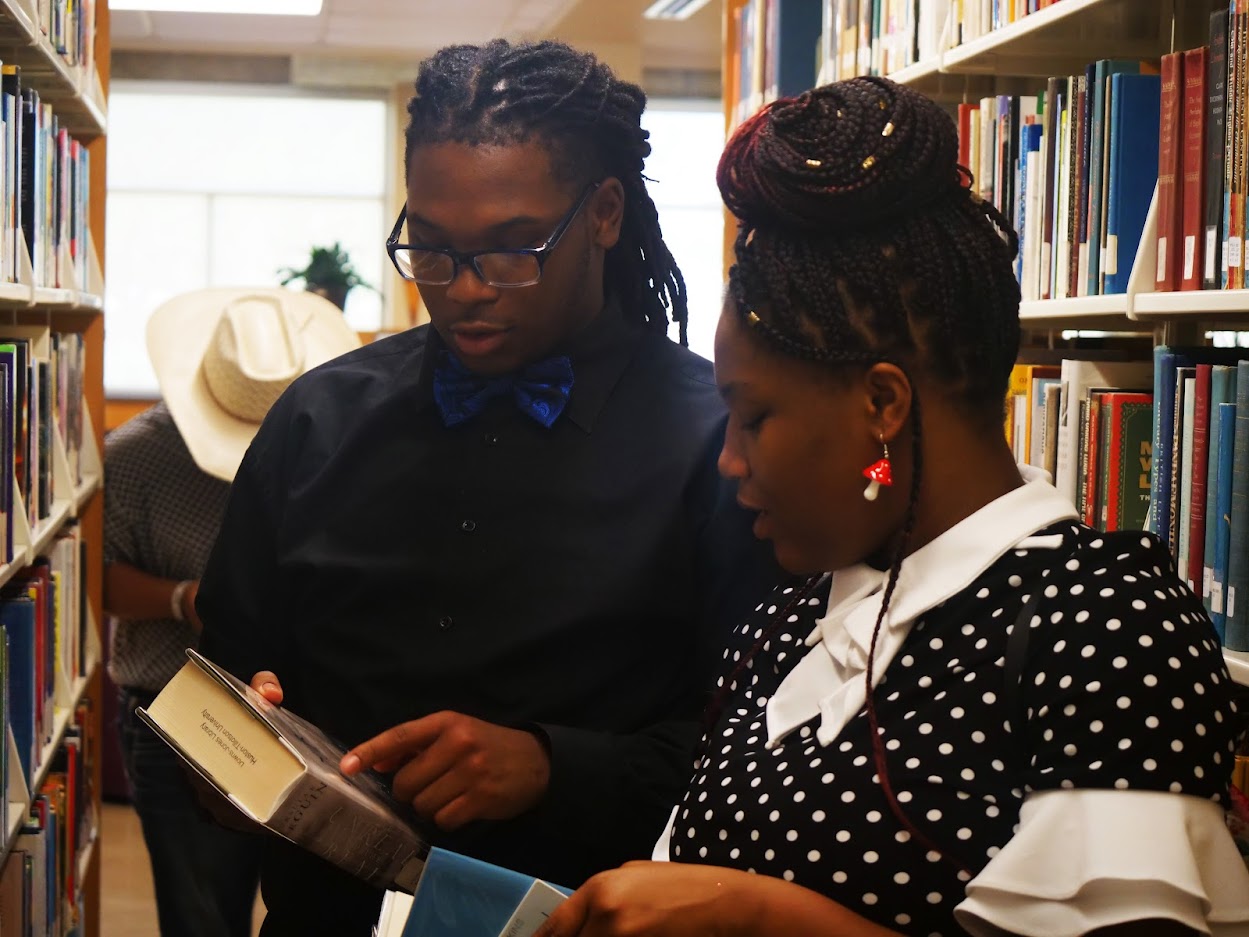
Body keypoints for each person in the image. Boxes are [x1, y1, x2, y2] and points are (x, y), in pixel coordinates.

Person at [535, 76, 1249, 937]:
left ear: (882, 403)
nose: (728, 461)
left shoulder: (1101, 620)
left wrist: (758, 917)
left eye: (754, 417)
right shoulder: (783, 625)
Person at [195, 39, 777, 936]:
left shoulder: (721, 444)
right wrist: (248, 723)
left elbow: (763, 750)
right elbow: (231, 658)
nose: (463, 291)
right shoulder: (316, 419)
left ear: (605, 213)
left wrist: (554, 767)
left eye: (511, 250)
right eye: (429, 251)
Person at [104, 288, 361, 937]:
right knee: (202, 917)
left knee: (310, 910)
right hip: (182, 714)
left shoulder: (333, 447)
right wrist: (181, 598)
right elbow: (99, 584)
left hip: (308, 719)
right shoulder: (134, 456)